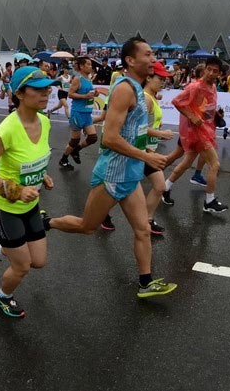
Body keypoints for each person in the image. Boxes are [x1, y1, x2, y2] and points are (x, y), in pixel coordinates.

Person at [46, 37, 177, 299]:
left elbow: (134, 130)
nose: (154, 60)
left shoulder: (139, 90)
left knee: (142, 230)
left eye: (154, 55)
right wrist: (147, 157)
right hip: (112, 174)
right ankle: (46, 222)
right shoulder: (125, 89)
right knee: (87, 226)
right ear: (130, 60)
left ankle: (146, 282)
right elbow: (110, 138)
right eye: (148, 54)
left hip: (131, 173)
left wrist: (152, 141)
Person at [0, 66, 69, 318]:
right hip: (5, 208)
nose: (45, 94)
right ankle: (2, 297)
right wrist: (16, 190)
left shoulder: (45, 122)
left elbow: (36, 158)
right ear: (19, 93)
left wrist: (44, 176)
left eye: (47, 89)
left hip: (30, 206)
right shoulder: (7, 129)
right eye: (38, 90)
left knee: (38, 261)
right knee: (22, 266)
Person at [105, 61, 172, 235]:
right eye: (160, 78)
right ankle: (143, 220)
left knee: (154, 187)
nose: (163, 82)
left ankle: (146, 220)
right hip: (139, 151)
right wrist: (160, 134)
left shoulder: (150, 97)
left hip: (146, 150)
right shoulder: (146, 99)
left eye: (165, 79)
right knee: (154, 186)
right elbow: (136, 128)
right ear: (148, 78)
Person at [162, 57, 228, 213]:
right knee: (214, 165)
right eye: (209, 69)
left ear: (219, 74)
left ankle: (165, 187)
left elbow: (204, 109)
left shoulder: (212, 87)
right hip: (198, 132)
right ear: (204, 69)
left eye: (215, 71)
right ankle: (209, 201)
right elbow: (176, 101)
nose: (211, 73)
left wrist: (216, 115)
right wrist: (191, 116)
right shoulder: (195, 86)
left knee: (186, 162)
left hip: (206, 129)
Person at [58, 57, 98, 170]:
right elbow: (70, 94)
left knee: (93, 138)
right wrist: (84, 96)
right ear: (81, 66)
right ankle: (64, 159)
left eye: (91, 64)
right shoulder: (77, 79)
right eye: (88, 64)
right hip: (78, 113)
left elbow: (87, 93)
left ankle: (76, 150)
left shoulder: (88, 79)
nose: (91, 66)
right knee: (75, 140)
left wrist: (95, 93)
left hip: (87, 113)